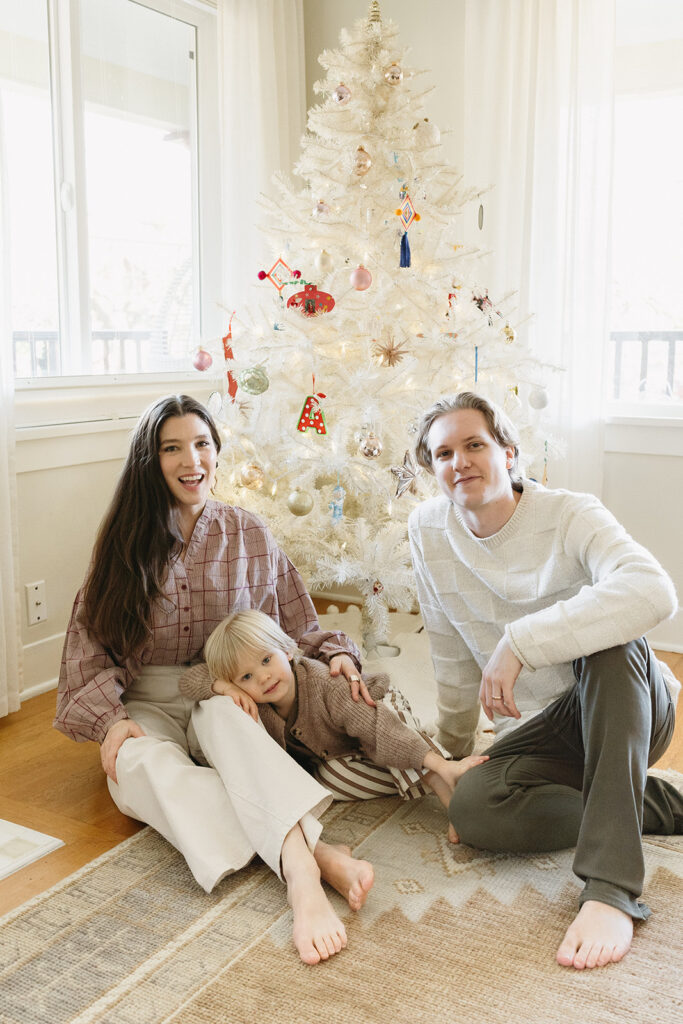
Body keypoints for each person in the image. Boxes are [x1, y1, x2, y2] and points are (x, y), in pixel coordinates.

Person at [55, 393, 378, 966]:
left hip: (224, 685)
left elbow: (295, 616)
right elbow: (89, 649)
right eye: (172, 448)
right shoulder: (121, 546)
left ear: (217, 452)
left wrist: (334, 652)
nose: (191, 460)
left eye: (202, 444)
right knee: (137, 769)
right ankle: (316, 851)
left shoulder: (249, 533)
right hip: (144, 696)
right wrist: (111, 721)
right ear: (148, 461)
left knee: (235, 723)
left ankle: (299, 877)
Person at [408, 390, 683, 971]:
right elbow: (450, 652)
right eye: (443, 453)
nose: (460, 462)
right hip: (548, 733)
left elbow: (653, 591)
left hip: (625, 702)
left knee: (610, 640)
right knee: (476, 811)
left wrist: (521, 641)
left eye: (475, 444)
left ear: (509, 452)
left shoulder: (570, 513)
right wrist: (454, 755)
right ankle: (648, 802)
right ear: (431, 469)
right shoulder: (428, 531)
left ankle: (610, 887)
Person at [178, 609, 488, 827]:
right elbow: (189, 680)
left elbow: (374, 727)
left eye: (266, 660)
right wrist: (223, 686)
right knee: (330, 782)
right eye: (246, 676)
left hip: (376, 711)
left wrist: (437, 765)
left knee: (387, 736)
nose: (262, 678)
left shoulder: (326, 684)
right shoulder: (258, 704)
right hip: (343, 750)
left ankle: (443, 781)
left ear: (286, 650)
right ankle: (419, 760)